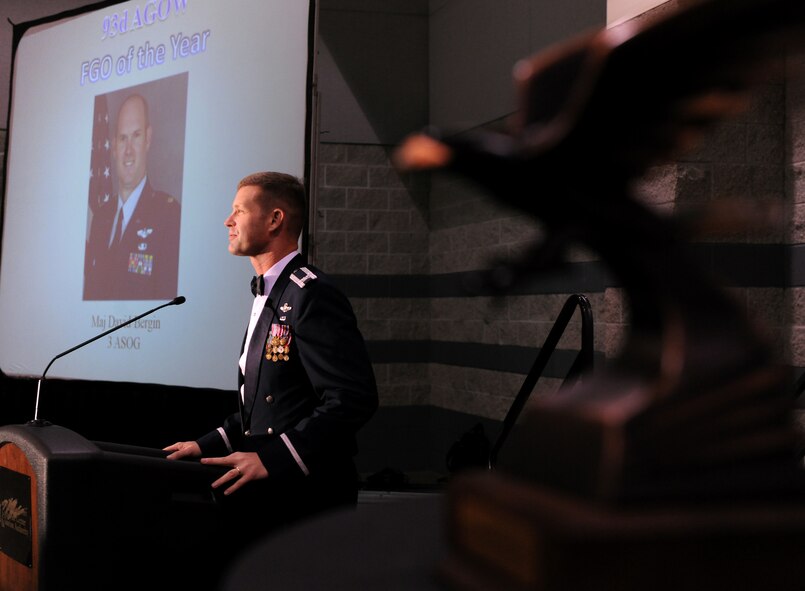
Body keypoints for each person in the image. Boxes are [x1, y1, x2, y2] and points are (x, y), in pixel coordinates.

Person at [164, 172, 378, 552]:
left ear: (275, 219)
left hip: (308, 497)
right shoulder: (272, 293)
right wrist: (205, 444)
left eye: (238, 211)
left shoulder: (312, 295)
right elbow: (272, 405)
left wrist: (274, 459)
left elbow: (352, 398)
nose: (228, 222)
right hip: (273, 496)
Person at [83, 93, 181, 300]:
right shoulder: (100, 218)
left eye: (136, 136)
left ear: (148, 138)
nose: (128, 150)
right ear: (114, 147)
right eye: (122, 138)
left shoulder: (168, 215)